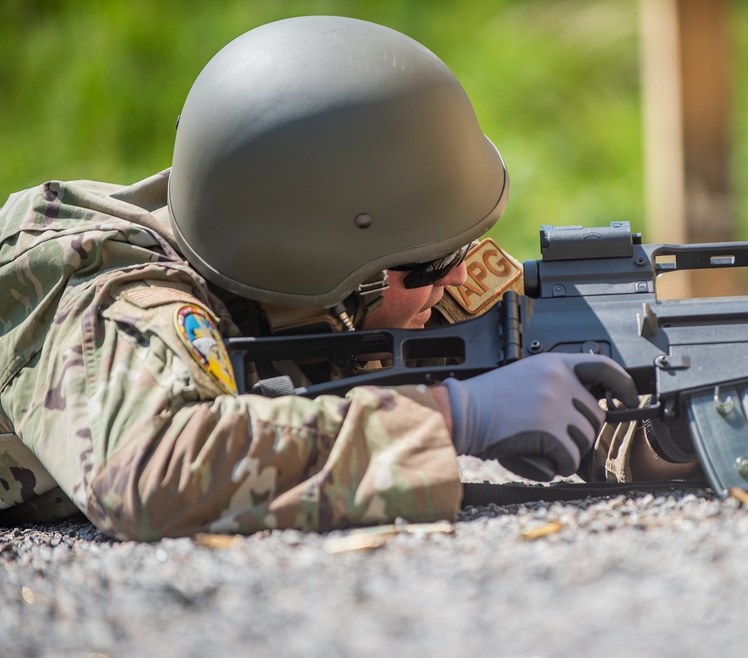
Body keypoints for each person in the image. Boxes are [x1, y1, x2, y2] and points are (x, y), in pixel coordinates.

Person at [0, 16, 638, 541]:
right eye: (434, 263)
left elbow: (521, 353)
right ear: (336, 274)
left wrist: (636, 422)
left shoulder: (294, 289)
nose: (451, 283)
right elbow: (155, 474)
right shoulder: (110, 294)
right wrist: (455, 416)